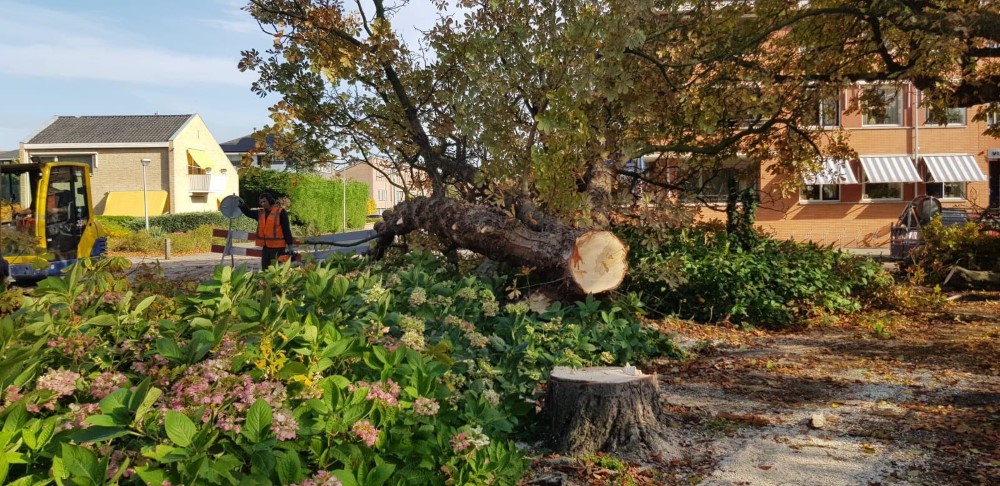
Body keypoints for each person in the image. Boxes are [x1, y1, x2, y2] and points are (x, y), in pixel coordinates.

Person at [239, 192, 294, 269]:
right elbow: (249, 213)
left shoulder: (281, 212)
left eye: (264, 201)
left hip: (278, 247)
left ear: (270, 201)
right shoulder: (261, 213)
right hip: (266, 247)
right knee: (265, 268)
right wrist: (243, 206)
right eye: (261, 202)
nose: (262, 203)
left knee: (276, 269)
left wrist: (290, 245)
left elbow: (286, 229)